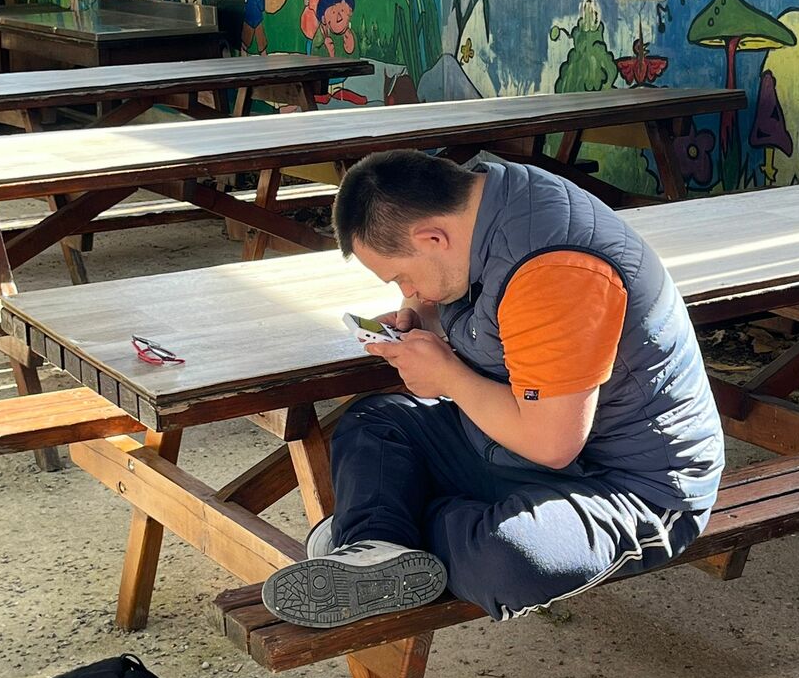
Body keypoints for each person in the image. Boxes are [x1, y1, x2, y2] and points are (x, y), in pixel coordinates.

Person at [261, 151, 725, 628]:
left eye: (402, 276)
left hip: (630, 484)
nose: (408, 290)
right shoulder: (482, 197)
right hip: (513, 449)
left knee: (508, 560)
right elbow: (484, 310)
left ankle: (379, 533)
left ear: (433, 237)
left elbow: (552, 445)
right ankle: (377, 543)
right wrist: (421, 318)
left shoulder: (554, 271)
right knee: (374, 422)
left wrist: (448, 378)